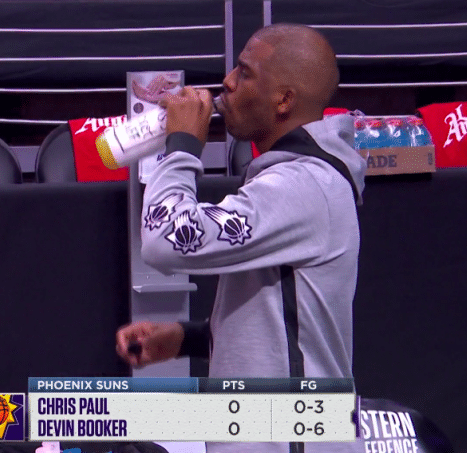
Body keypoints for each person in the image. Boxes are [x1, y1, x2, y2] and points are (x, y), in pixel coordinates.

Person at [116, 23, 366, 453]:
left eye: (245, 73)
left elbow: (163, 241)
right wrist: (188, 338)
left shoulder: (302, 186)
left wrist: (180, 148)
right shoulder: (291, 179)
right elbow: (287, 325)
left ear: (283, 100)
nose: (227, 82)